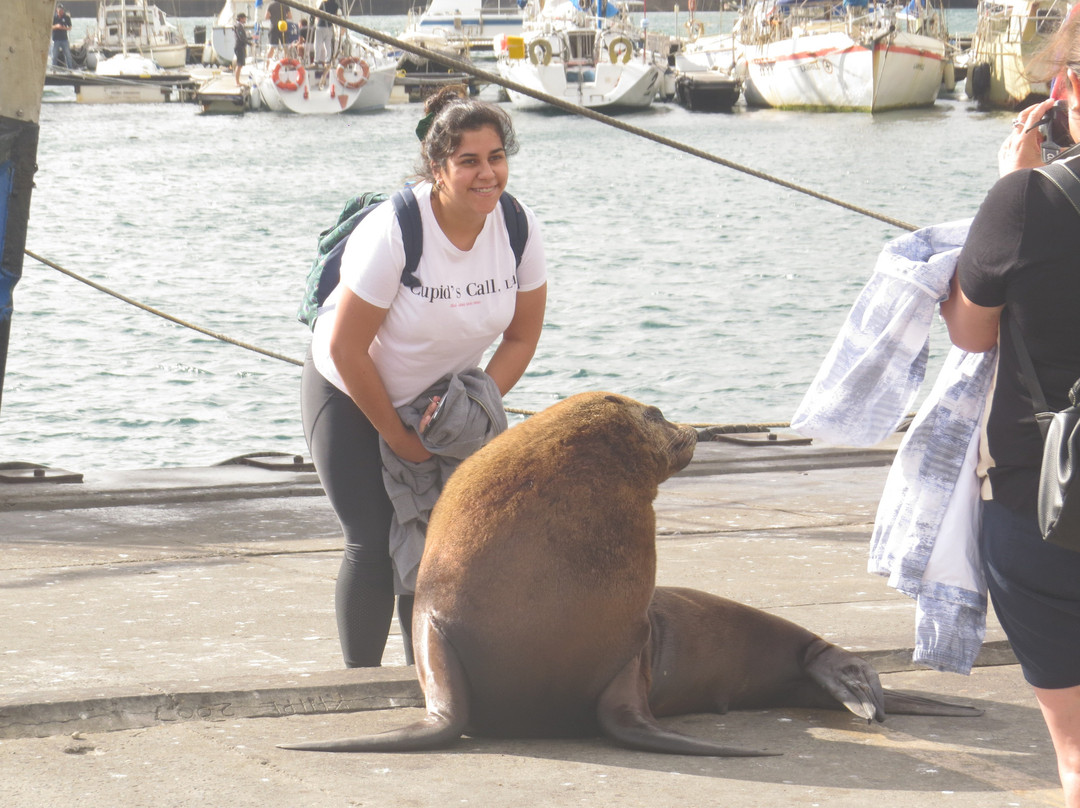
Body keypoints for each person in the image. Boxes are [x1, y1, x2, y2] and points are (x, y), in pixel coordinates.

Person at [300, 86, 547, 668]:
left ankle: (425, 684)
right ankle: (359, 690)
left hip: (441, 401)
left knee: (435, 542)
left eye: (496, 157)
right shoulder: (396, 229)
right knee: (374, 536)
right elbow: (348, 347)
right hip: (350, 389)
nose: (487, 174)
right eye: (468, 161)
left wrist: (472, 410)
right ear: (438, 168)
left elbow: (521, 337)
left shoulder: (517, 227)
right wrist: (399, 436)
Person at [940, 8, 1080, 806]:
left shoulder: (1026, 198)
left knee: (1076, 756)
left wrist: (1009, 182)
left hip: (1047, 506)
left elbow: (969, 330)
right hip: (1042, 509)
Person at [51, 3, 74, 70]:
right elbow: (49, 27)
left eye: (62, 10)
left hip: (64, 39)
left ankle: (70, 69)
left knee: (68, 55)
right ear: (57, 10)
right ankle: (54, 69)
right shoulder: (54, 18)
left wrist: (64, 28)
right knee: (54, 56)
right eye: (60, 10)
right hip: (55, 39)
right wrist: (57, 26)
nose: (61, 11)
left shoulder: (66, 17)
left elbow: (70, 27)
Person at [232, 12, 252, 87]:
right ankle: (237, 82)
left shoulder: (239, 26)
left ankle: (238, 81)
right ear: (241, 18)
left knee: (240, 65)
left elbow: (243, 37)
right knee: (239, 65)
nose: (245, 19)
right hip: (239, 47)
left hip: (240, 46)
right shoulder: (238, 26)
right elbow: (241, 38)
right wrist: (250, 43)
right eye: (244, 18)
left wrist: (251, 38)